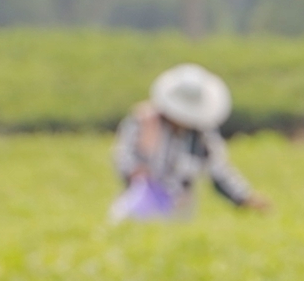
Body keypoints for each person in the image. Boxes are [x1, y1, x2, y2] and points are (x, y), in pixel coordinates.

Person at [110, 64, 268, 219]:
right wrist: (136, 173)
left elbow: (218, 171)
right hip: (139, 204)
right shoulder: (145, 121)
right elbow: (124, 156)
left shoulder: (202, 135)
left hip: (179, 209)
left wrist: (244, 198)